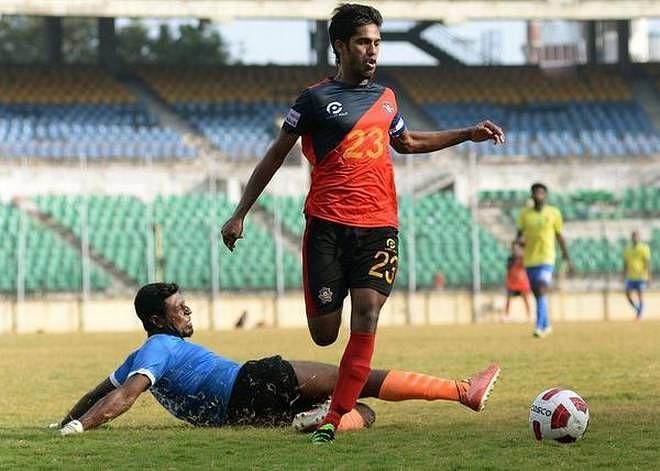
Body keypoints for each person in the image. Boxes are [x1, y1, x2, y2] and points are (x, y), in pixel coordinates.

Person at [220, 3, 504, 443]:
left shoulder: (386, 98)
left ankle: (333, 420)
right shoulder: (313, 99)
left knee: (367, 314)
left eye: (377, 43)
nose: (373, 51)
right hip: (327, 226)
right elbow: (276, 154)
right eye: (363, 43)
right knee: (323, 334)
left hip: (378, 226)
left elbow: (406, 142)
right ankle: (336, 403)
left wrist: (466, 133)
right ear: (340, 46)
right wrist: (240, 213)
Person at [51, 283, 501, 437]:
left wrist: (67, 420)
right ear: (157, 319)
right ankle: (462, 391)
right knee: (358, 379)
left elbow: (102, 389)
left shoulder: (142, 352)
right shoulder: (158, 348)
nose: (188, 311)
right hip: (254, 380)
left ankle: (313, 422)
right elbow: (124, 396)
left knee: (361, 413)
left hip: (239, 416)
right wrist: (82, 428)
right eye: (179, 308)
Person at [516, 183, 573, 338]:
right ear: (532, 195)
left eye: (542, 193)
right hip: (530, 259)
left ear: (546, 195)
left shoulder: (554, 213)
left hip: (547, 257)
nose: (539, 195)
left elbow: (559, 235)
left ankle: (539, 327)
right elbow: (519, 235)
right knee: (537, 294)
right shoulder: (524, 215)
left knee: (541, 288)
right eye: (536, 193)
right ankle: (547, 323)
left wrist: (567, 256)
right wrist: (520, 242)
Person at [623, 231, 651, 321]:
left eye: (637, 237)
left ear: (639, 238)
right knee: (627, 294)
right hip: (631, 276)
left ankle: (639, 315)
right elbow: (625, 263)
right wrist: (623, 274)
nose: (635, 238)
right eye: (634, 237)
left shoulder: (644, 248)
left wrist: (648, 275)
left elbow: (647, 262)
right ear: (631, 238)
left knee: (640, 295)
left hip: (641, 276)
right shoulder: (628, 249)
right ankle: (637, 308)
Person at [502, 241, 531, 322]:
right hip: (513, 284)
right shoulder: (510, 259)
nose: (515, 249)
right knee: (508, 299)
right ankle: (507, 315)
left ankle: (529, 315)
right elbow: (509, 269)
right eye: (513, 248)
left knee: (526, 299)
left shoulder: (524, 258)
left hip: (522, 284)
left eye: (516, 248)